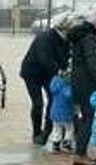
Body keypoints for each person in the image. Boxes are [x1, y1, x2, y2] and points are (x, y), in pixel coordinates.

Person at [19, 11, 73, 144]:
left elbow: (65, 57)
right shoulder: (45, 38)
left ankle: (47, 132)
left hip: (47, 74)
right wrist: (61, 73)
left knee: (53, 100)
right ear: (63, 28)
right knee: (38, 103)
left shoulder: (65, 39)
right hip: (32, 73)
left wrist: (68, 68)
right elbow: (46, 60)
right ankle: (36, 133)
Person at [68, 6, 96, 165]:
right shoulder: (89, 38)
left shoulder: (82, 34)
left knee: (84, 117)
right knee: (88, 118)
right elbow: (92, 62)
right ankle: (80, 154)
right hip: (87, 83)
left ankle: (80, 150)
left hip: (79, 81)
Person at [46, 72, 75, 153]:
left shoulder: (55, 86)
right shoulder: (68, 89)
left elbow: (52, 85)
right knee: (69, 129)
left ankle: (55, 144)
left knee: (56, 129)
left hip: (54, 113)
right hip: (66, 114)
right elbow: (70, 97)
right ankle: (66, 143)